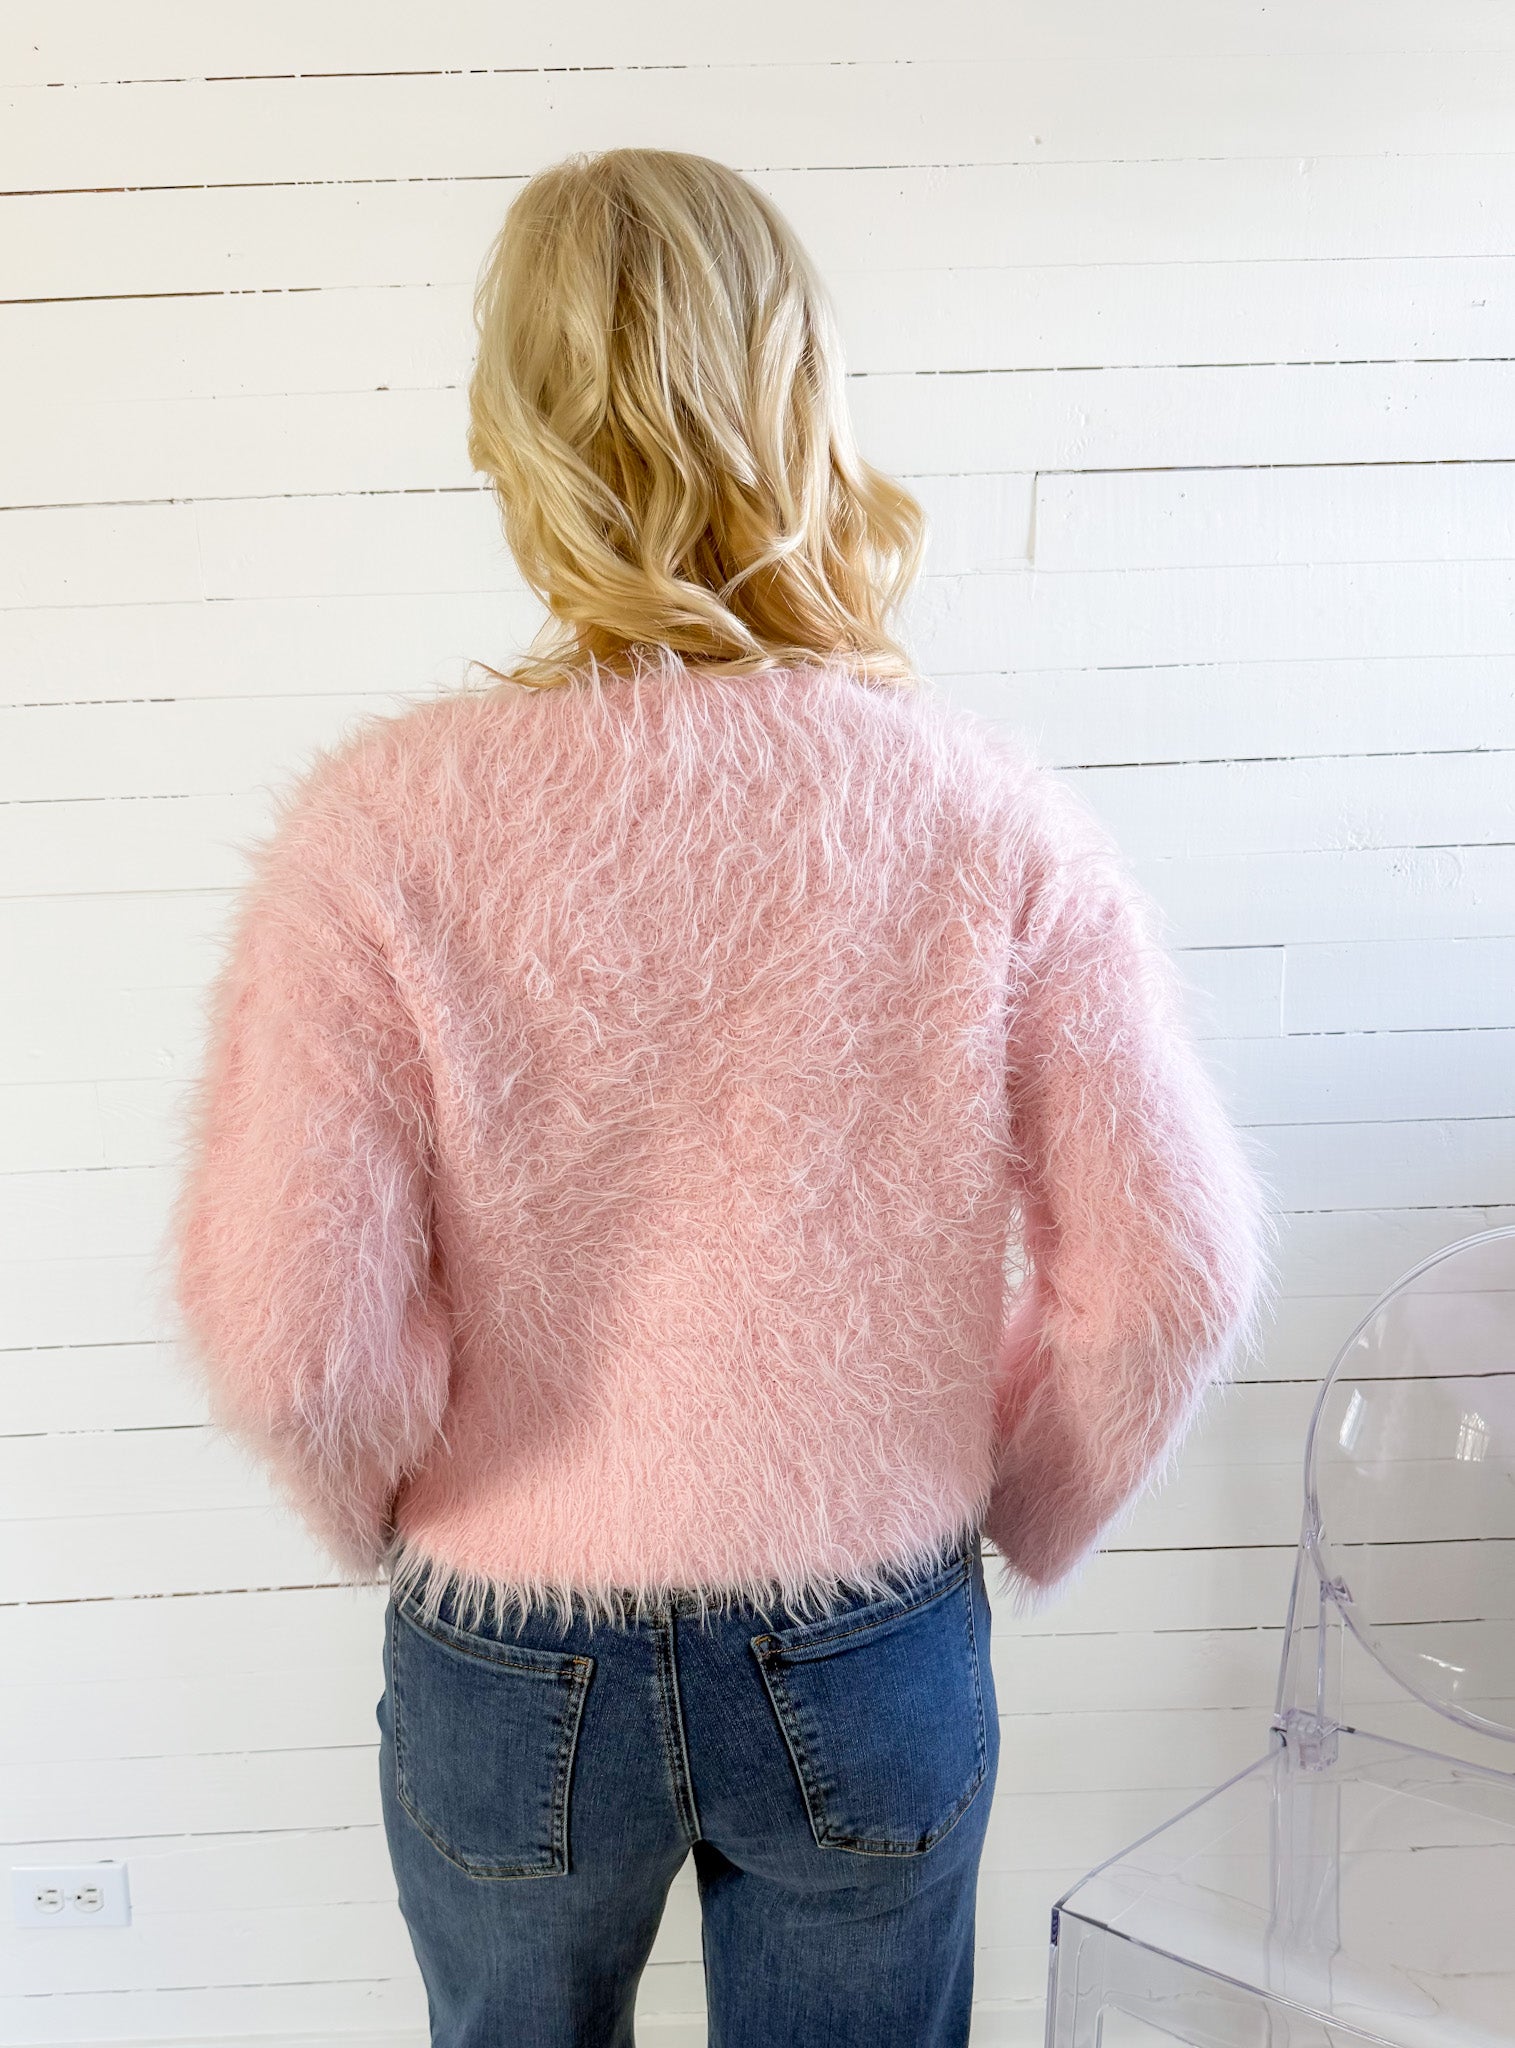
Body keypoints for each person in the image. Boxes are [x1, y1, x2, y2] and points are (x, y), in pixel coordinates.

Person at [168, 147, 1277, 2048]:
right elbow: (1170, 1281)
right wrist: (1020, 1507)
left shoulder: (380, 839)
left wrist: (403, 1520)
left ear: (512, 435)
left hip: (508, 1649)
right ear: (807, 411)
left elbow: (293, 1341)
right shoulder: (976, 816)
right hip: (867, 1632)